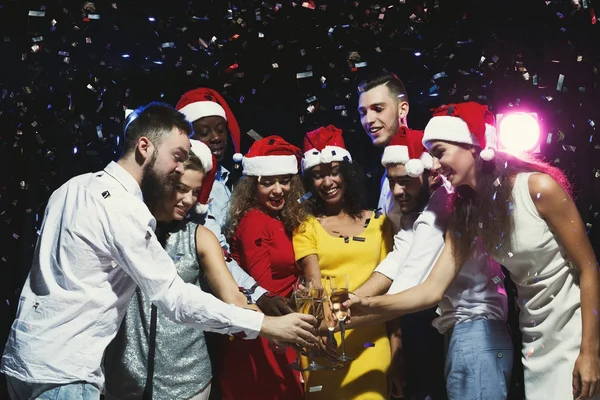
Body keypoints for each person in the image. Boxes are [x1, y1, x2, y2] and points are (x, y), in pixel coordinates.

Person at [0, 103, 317, 400]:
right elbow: (175, 298)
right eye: (177, 156)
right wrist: (266, 325)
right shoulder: (124, 210)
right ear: (144, 147)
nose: (180, 168)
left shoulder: (73, 186)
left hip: (23, 361)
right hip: (65, 376)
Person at [347, 101, 600, 400]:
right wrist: (366, 305)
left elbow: (589, 268)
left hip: (576, 328)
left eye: (440, 152)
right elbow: (431, 290)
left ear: (474, 146)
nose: (435, 165)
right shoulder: (467, 213)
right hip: (534, 335)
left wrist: (590, 352)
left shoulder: (537, 188)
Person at [353, 128, 513, 400]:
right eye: (392, 182)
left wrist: (341, 319)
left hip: (476, 333)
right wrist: (353, 299)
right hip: (470, 334)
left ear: (432, 174)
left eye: (406, 181)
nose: (397, 191)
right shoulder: (428, 211)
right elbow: (398, 260)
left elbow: (412, 282)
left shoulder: (444, 202)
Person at [103, 140, 254, 400]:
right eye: (181, 189)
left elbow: (234, 298)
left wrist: (271, 325)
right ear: (162, 181)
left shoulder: (200, 237)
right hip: (124, 378)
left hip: (189, 382)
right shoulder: (126, 227)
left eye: (195, 192)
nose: (189, 200)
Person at [357, 72, 447, 400]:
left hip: (448, 321)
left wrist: (353, 311)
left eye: (378, 108)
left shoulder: (436, 166)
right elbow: (400, 252)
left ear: (403, 108)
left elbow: (416, 265)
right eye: (363, 112)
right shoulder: (388, 177)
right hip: (409, 317)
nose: (370, 119)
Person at [293, 125, 393, 400]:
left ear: (347, 173)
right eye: (317, 176)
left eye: (334, 172)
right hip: (326, 343)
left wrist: (398, 347)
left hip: (372, 343)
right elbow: (313, 285)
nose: (327, 183)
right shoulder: (306, 226)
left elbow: (391, 290)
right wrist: (321, 331)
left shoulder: (379, 223)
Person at [176, 87, 293, 316]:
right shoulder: (189, 188)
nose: (216, 137)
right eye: (204, 132)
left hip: (236, 288)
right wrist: (258, 294)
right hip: (207, 295)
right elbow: (217, 250)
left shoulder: (228, 178)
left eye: (220, 130)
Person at [217, 135, 309, 400]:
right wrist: (281, 334)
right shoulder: (255, 221)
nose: (278, 190)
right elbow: (263, 288)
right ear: (252, 186)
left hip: (283, 324)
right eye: (267, 183)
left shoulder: (281, 218)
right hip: (266, 334)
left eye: (284, 180)